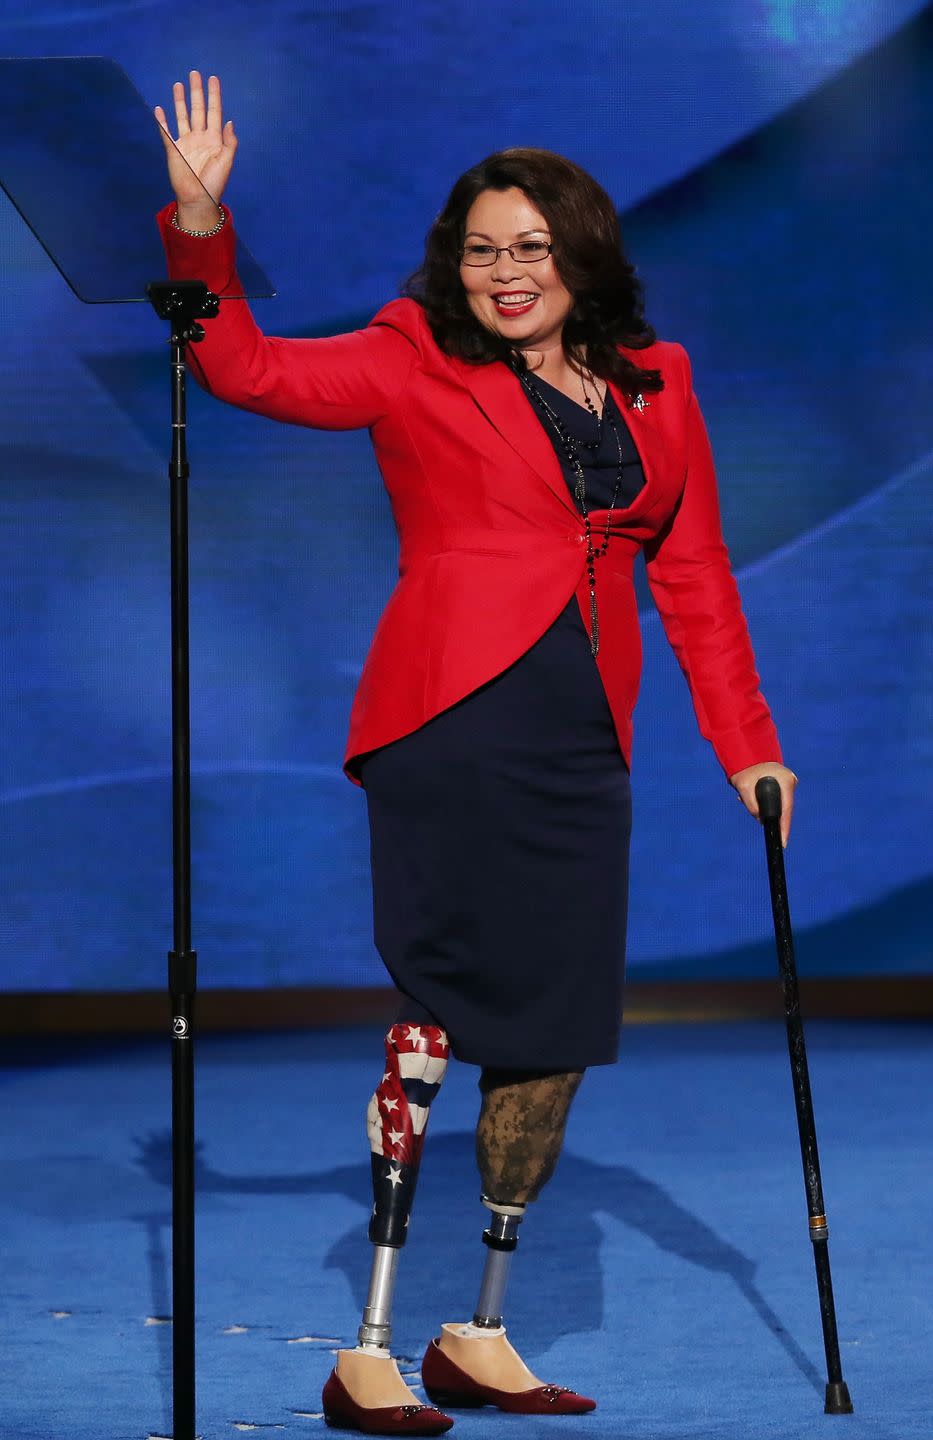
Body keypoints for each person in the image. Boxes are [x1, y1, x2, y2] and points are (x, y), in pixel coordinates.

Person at [156, 72, 797, 1437]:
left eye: (529, 246)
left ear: (581, 254)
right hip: (449, 721)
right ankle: (368, 1350)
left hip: (581, 736)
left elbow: (691, 573)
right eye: (480, 248)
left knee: (556, 1026)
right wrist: (200, 226)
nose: (504, 272)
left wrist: (745, 743)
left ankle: (479, 1334)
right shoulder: (409, 352)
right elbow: (246, 365)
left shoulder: (654, 382)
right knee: (445, 1007)